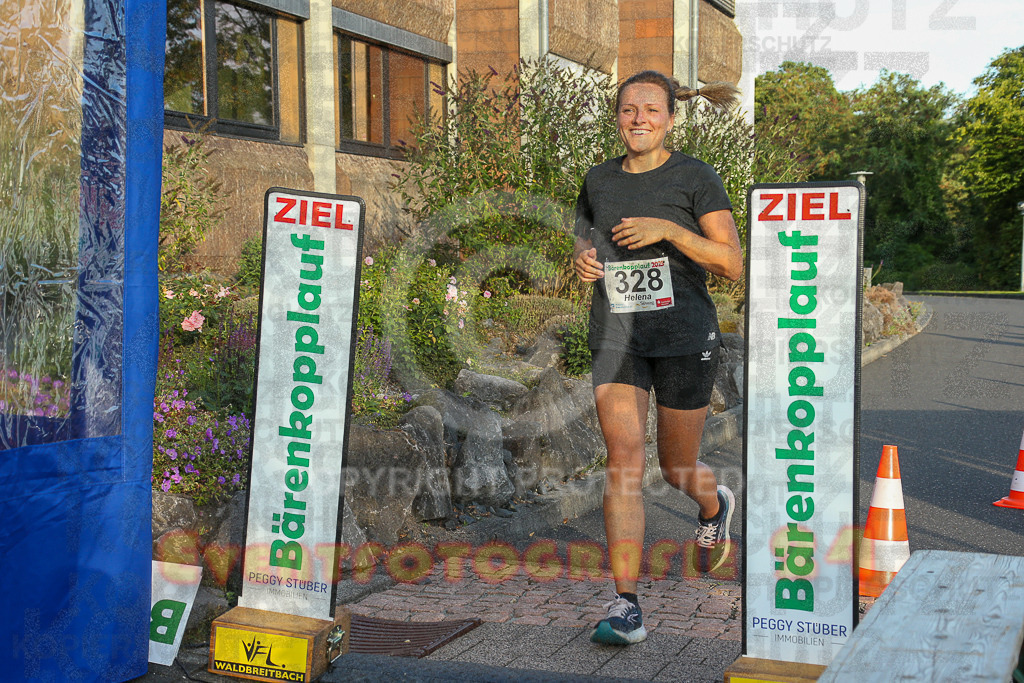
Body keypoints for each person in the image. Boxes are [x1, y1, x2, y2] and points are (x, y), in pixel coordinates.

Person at [573, 70, 743, 645]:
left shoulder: (695, 176)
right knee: (622, 460)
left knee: (675, 469)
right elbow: (584, 238)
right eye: (628, 110)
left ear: (670, 117)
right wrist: (583, 262)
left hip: (683, 336)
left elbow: (730, 262)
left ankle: (712, 502)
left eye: (650, 110)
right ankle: (626, 603)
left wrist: (668, 229)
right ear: (617, 116)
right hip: (617, 335)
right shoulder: (598, 179)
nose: (638, 119)